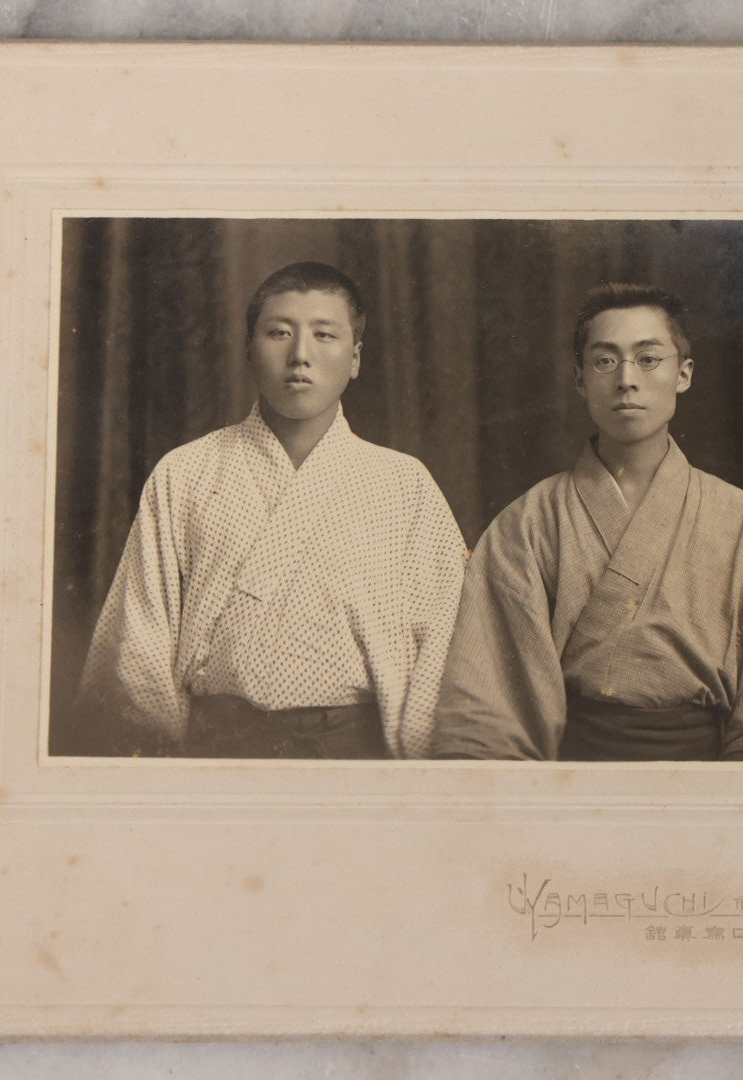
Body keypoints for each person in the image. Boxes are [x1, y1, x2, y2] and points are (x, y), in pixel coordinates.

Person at [431, 283, 743, 761]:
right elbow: (490, 714)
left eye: (648, 359)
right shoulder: (527, 523)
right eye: (605, 360)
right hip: (570, 782)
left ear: (684, 374)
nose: (626, 379)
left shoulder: (742, 523)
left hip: (709, 789)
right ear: (581, 379)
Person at [78, 261, 467, 759]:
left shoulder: (403, 484)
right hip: (217, 749)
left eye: (325, 334)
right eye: (279, 333)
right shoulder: (186, 472)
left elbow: (441, 645)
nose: (300, 355)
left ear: (355, 358)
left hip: (353, 752)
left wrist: (418, 767)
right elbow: (140, 638)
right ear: (249, 350)